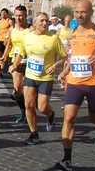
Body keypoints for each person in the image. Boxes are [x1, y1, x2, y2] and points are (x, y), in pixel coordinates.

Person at [56, 0, 95, 171]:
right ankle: (67, 158)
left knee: (94, 117)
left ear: (91, 12)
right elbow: (73, 57)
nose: (79, 15)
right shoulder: (72, 33)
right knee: (68, 117)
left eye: (83, 12)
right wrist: (65, 71)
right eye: (77, 12)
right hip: (75, 83)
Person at [10, 12, 66, 145]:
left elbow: (64, 57)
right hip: (30, 75)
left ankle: (50, 114)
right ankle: (33, 133)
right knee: (28, 105)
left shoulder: (53, 38)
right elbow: (21, 53)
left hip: (45, 78)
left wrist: (55, 66)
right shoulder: (27, 37)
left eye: (46, 21)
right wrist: (14, 65)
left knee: (41, 107)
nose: (45, 23)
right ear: (35, 23)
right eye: (41, 21)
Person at [0, 6, 31, 123]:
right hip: (16, 62)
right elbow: (9, 45)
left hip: (29, 62)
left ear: (25, 16)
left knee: (29, 92)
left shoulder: (31, 29)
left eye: (21, 15)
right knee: (17, 89)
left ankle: (30, 112)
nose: (19, 18)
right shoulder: (12, 30)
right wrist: (4, 56)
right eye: (17, 15)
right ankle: (23, 112)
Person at [0, 8, 13, 80]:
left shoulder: (9, 20)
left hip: (6, 40)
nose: (3, 14)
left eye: (4, 13)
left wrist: (9, 38)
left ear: (7, 14)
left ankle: (7, 70)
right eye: (2, 13)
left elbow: (12, 29)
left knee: (6, 57)